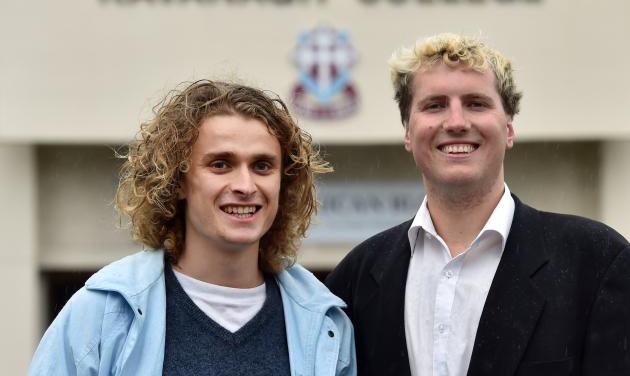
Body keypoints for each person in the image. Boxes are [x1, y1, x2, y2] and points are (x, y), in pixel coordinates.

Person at [326, 33, 630, 376]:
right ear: (408, 133)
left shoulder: (597, 262)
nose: (456, 122)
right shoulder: (355, 279)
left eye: (476, 103)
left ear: (509, 128)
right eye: (435, 105)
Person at [29, 80, 356, 376]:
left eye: (262, 165)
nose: (245, 184)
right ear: (178, 182)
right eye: (221, 164)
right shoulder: (103, 314)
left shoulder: (325, 323)